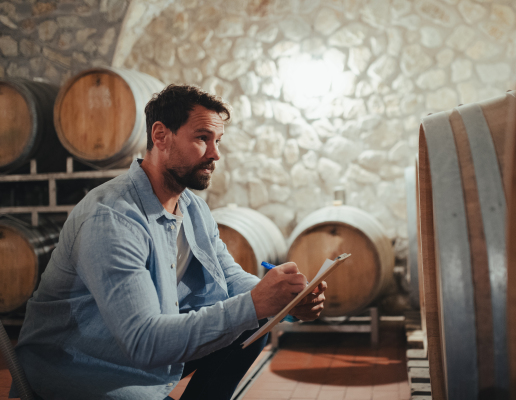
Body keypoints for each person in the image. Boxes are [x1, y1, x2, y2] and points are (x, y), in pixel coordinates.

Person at [11, 84, 327, 400]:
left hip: (143, 359)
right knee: (249, 311)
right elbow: (143, 342)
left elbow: (229, 278)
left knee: (252, 320)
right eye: (202, 138)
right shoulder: (111, 218)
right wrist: (257, 301)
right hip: (84, 372)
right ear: (161, 136)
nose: (216, 153)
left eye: (217, 141)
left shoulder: (192, 208)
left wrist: (288, 300)